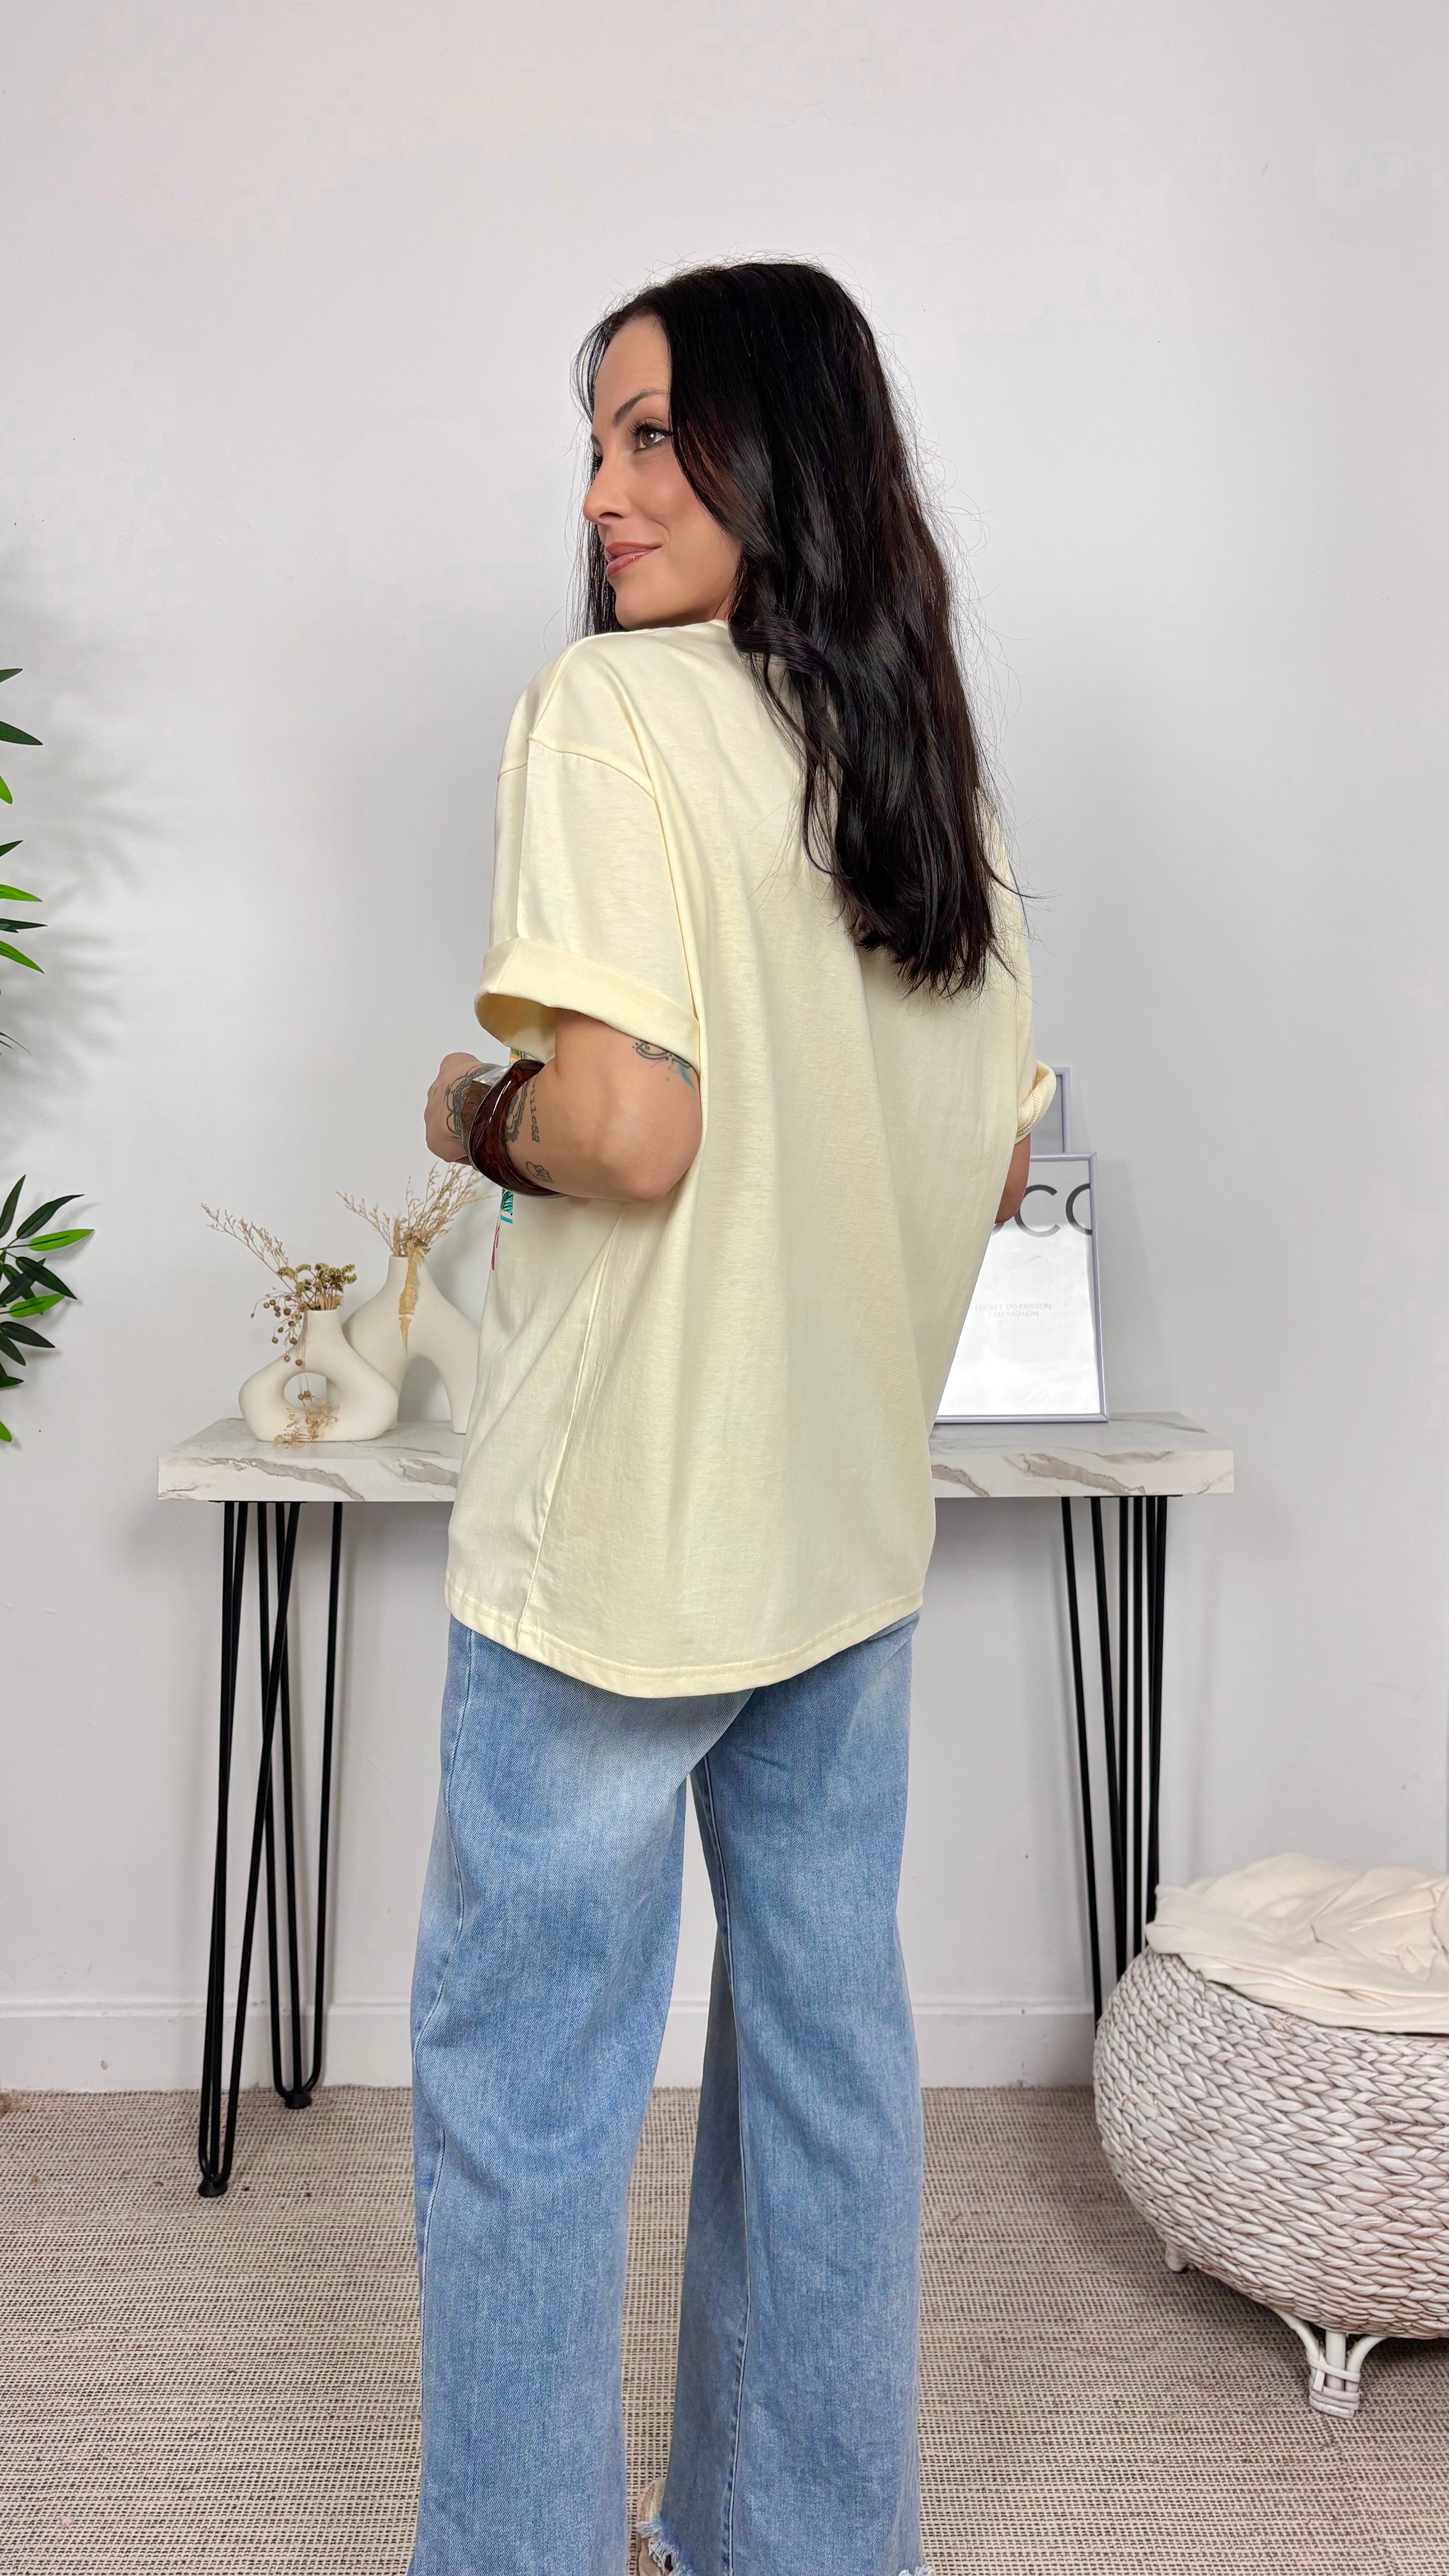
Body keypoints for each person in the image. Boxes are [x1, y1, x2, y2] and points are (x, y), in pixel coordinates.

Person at [411, 260, 1053, 2576]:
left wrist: (473, 1113)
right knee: (824, 2069)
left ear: (784, 447)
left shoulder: (610, 712)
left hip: (621, 1548)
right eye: (593, 443)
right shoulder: (914, 765)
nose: (603, 492)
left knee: (521, 2096)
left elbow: (629, 1126)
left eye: (651, 433)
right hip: (841, 1538)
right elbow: (996, 1159)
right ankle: (806, 2547)